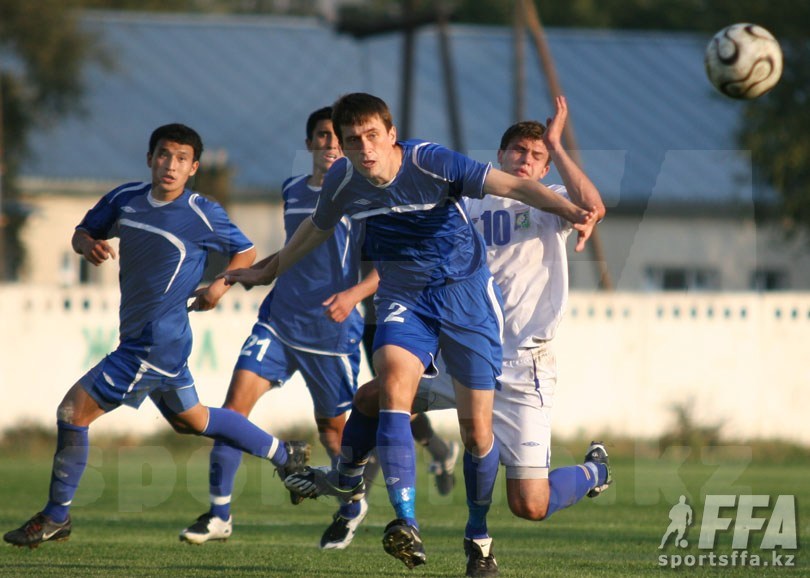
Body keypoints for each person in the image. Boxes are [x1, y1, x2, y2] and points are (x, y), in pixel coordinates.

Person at [222, 93, 599, 572]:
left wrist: (573, 212)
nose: (364, 149)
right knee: (385, 390)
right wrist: (268, 269)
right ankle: (403, 520)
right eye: (353, 140)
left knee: (496, 460)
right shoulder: (343, 180)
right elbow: (315, 230)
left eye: (373, 136)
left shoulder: (434, 163)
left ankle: (481, 532)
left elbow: (535, 192)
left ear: (391, 134)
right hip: (407, 300)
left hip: (478, 316)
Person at [3, 123, 309, 549]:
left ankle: (56, 517)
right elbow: (81, 232)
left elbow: (246, 252)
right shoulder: (124, 199)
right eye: (164, 155)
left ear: (193, 168)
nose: (170, 165)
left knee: (72, 413)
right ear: (150, 158)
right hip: (148, 338)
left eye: (181, 159)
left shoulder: (201, 211)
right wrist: (85, 244)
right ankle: (283, 454)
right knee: (194, 420)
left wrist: (219, 286)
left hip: (154, 343)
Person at [179, 107, 377, 550]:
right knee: (232, 412)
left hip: (332, 329)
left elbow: (383, 265)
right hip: (280, 319)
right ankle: (219, 514)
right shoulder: (291, 189)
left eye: (336, 138)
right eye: (321, 137)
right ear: (309, 144)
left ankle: (351, 506)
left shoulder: (362, 195)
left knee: (334, 432)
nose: (329, 145)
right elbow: (290, 250)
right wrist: (236, 277)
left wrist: (353, 295)